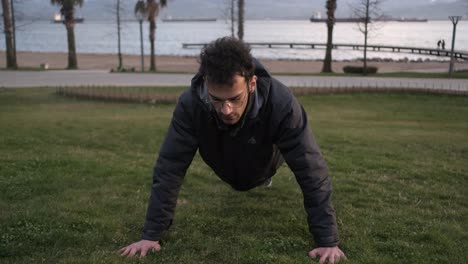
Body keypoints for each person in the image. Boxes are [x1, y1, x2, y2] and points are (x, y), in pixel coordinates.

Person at [119, 37, 347, 263]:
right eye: (216, 99)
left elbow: (311, 169)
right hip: (223, 159)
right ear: (206, 84)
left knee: (273, 163)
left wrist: (327, 239)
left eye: (234, 99)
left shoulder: (281, 103)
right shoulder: (190, 105)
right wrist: (151, 235)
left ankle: (263, 177)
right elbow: (170, 167)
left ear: (252, 83)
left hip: (266, 158)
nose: (226, 109)